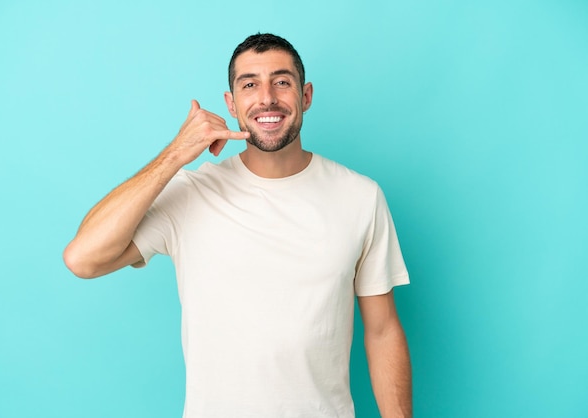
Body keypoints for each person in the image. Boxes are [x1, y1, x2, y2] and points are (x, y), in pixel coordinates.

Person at [64, 33, 412, 418]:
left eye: (282, 81)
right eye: (250, 85)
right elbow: (83, 259)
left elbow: (382, 332)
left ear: (306, 96)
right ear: (231, 103)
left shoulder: (360, 197)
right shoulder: (192, 193)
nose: (267, 98)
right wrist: (175, 155)